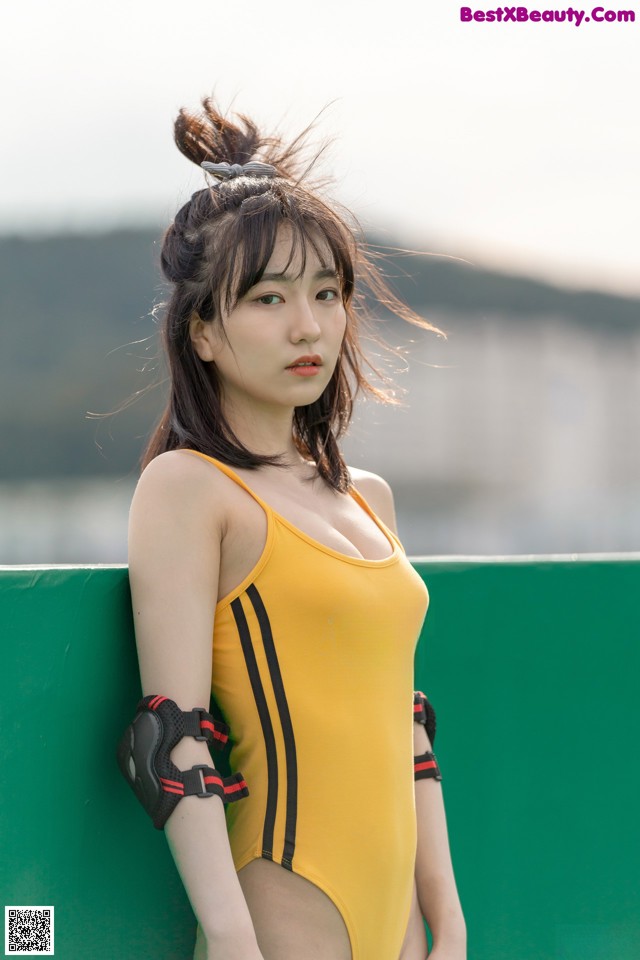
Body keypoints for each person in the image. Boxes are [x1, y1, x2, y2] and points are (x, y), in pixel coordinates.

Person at [120, 96, 467, 960]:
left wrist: (447, 916)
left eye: (326, 293)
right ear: (201, 331)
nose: (307, 326)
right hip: (282, 918)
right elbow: (170, 738)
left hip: (401, 925)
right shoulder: (188, 489)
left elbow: (406, 728)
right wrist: (233, 939)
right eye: (268, 298)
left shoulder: (368, 499)